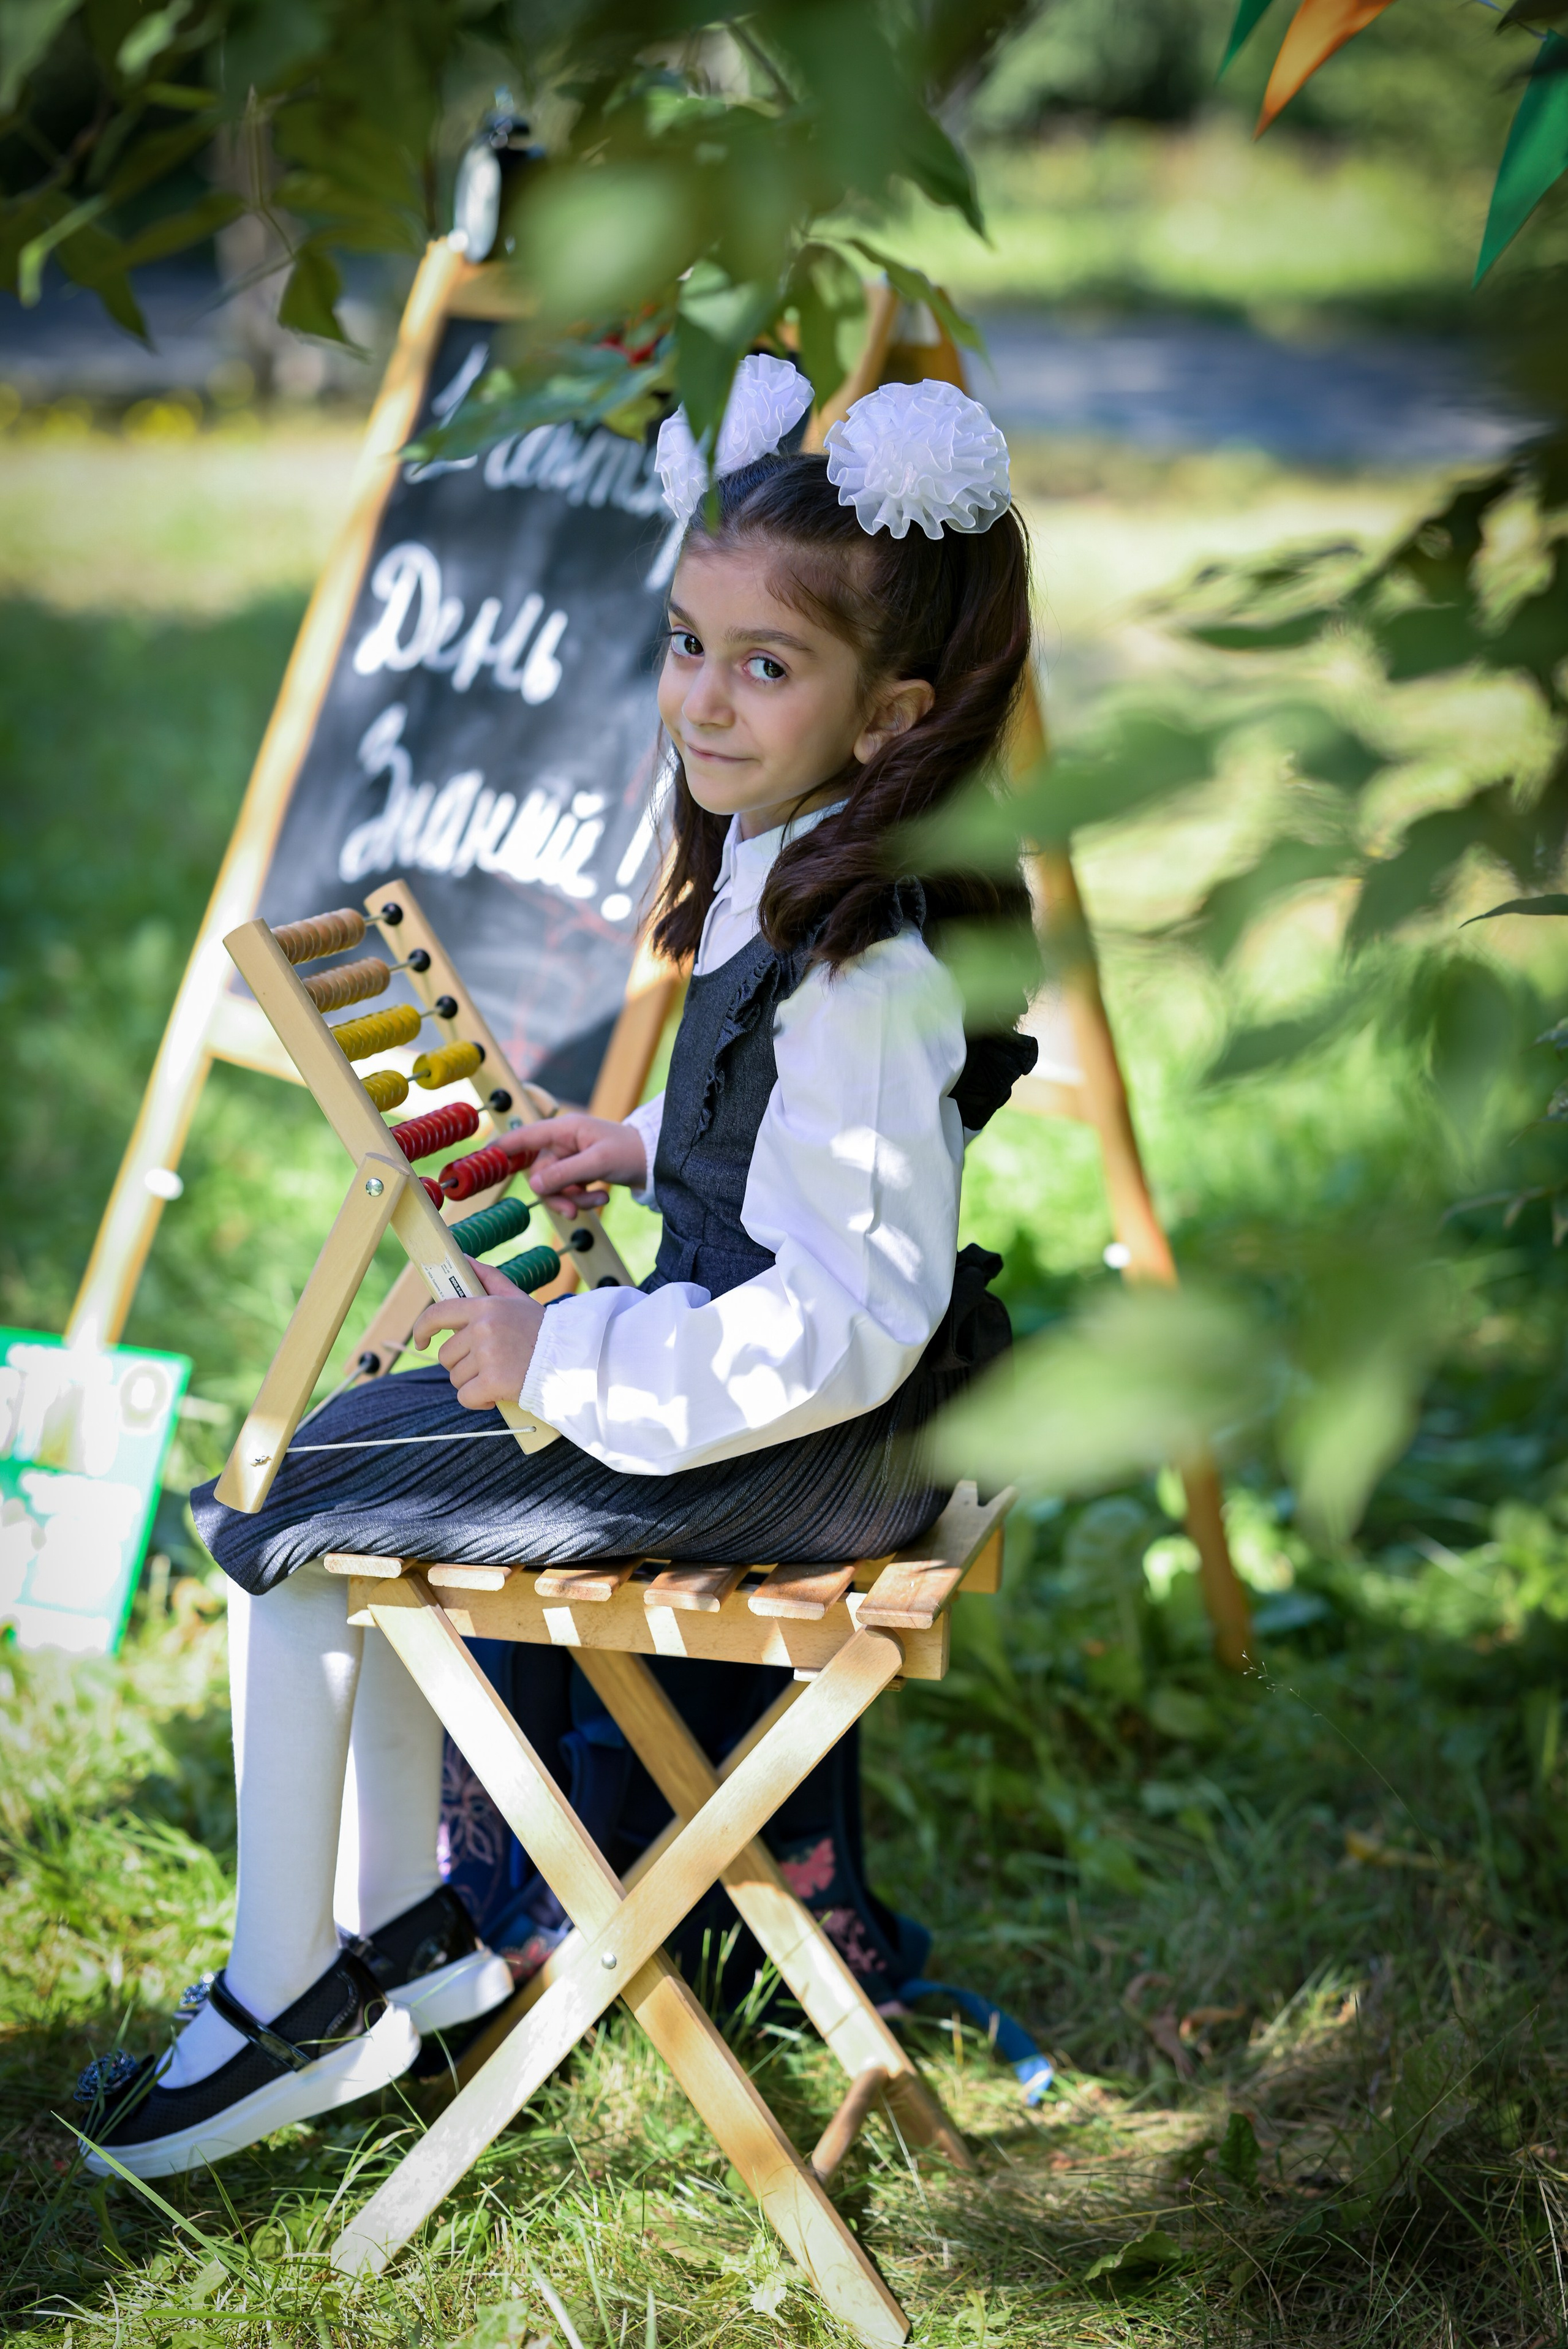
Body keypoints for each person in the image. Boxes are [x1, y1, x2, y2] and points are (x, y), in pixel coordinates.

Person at [74, 357, 1039, 2177]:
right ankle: (418, 1940)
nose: (704, 695)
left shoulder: (872, 958)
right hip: (801, 1401)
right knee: (331, 1469)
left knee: (284, 1500)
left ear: (894, 709)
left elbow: (843, 1315)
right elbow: (810, 1183)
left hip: (801, 1436)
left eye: (769, 663)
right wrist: (646, 1156)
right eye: (689, 642)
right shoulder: (804, 857)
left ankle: (289, 1997)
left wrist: (562, 1359)